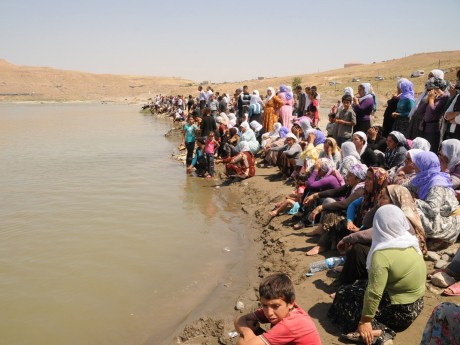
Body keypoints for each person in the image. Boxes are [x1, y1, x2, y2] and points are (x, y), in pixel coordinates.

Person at [329, 205, 425, 345]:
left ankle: (380, 331)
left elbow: (374, 293)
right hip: (416, 305)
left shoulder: (382, 255)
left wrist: (365, 320)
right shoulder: (410, 242)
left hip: (400, 312)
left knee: (344, 295)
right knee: (358, 286)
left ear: (377, 225)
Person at [234, 273, 322, 345]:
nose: (269, 313)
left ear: (291, 303)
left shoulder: (290, 324)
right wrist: (248, 333)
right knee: (249, 327)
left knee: (242, 340)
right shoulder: (281, 310)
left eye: (275, 306)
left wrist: (247, 337)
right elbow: (239, 319)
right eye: (264, 305)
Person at [302, 163, 368, 255]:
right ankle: (326, 235)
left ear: (358, 178)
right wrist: (316, 195)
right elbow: (335, 192)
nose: (347, 176)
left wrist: (321, 207)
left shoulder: (360, 190)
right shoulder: (351, 186)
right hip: (348, 216)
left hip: (354, 223)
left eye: (350, 175)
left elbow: (344, 204)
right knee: (330, 204)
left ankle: (322, 245)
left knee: (332, 214)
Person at [408, 151, 460, 249]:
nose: (412, 164)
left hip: (449, 221)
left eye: (416, 162)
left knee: (413, 212)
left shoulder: (437, 183)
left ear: (424, 164)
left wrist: (414, 200)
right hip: (440, 216)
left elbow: (432, 210)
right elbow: (405, 188)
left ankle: (439, 239)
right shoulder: (423, 177)